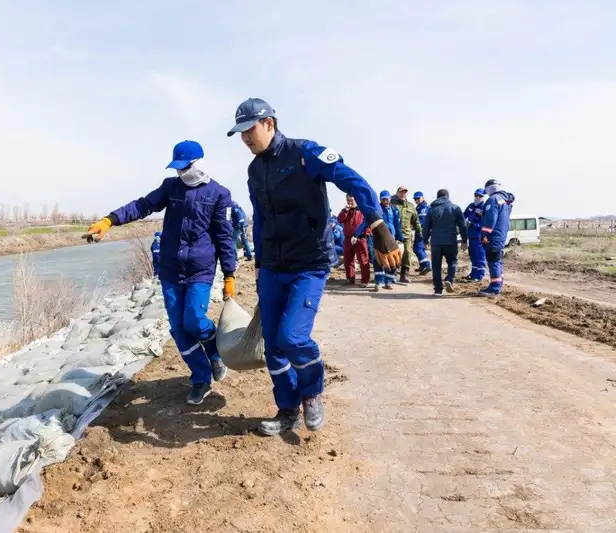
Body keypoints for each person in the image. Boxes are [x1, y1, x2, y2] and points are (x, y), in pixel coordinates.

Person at [227, 97, 401, 435]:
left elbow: (352, 180)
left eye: (250, 130)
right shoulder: (254, 170)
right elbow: (260, 219)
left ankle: (312, 392)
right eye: (241, 134)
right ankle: (287, 408)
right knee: (273, 345)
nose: (246, 139)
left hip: (309, 262)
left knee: (293, 336)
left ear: (269, 124)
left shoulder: (306, 153)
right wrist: (260, 263)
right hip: (274, 265)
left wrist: (378, 225)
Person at [86, 140, 237, 405]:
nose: (181, 173)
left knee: (194, 321)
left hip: (200, 270)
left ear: (198, 163)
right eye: (177, 168)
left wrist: (229, 275)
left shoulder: (219, 194)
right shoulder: (171, 187)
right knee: (178, 329)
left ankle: (214, 353)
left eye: (185, 167)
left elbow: (224, 237)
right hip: (170, 268)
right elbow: (143, 205)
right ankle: (201, 378)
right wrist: (110, 220)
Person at [422, 189, 468, 296]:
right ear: (447, 196)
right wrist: (465, 240)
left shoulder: (431, 209)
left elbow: (426, 227)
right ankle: (449, 279)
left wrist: (425, 240)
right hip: (450, 241)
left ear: (437, 197)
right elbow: (463, 225)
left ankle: (438, 290)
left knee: (436, 266)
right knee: (452, 262)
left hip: (436, 243)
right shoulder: (455, 208)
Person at [480, 179, 515, 296]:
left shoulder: (493, 199)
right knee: (498, 261)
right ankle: (498, 284)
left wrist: (485, 234)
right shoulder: (505, 201)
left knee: (493, 261)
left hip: (493, 236)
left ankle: (494, 288)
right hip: (501, 235)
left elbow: (490, 219)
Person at [372, 190, 403, 291]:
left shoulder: (394, 210)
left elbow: (397, 225)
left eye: (387, 199)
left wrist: (400, 237)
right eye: (383, 199)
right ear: (380, 200)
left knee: (393, 259)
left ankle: (388, 282)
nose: (385, 201)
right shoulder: (377, 210)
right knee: (378, 260)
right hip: (379, 238)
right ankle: (378, 282)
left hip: (391, 238)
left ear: (390, 198)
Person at [337, 194, 371, 286]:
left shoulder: (362, 210)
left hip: (360, 239)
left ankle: (364, 280)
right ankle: (350, 279)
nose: (350, 202)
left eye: (351, 200)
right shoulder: (345, 211)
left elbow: (367, 223)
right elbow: (339, 220)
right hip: (348, 239)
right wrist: (345, 211)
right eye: (348, 200)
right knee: (348, 260)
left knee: (363, 260)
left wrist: (366, 234)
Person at [390, 186, 421, 283]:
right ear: (397, 193)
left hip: (406, 235)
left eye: (405, 192)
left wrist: (420, 232)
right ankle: (392, 274)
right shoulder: (391, 204)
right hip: (393, 234)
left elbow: (416, 221)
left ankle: (404, 275)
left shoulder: (411, 206)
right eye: (401, 192)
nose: (403, 194)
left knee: (407, 253)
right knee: (393, 254)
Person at [463, 189, 487, 282]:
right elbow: (463, 216)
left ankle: (479, 276)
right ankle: (473, 274)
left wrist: (473, 225)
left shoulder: (485, 207)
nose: (477, 197)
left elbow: (485, 223)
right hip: (470, 236)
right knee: (473, 256)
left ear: (483, 197)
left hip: (479, 236)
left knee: (480, 256)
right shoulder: (471, 206)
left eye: (480, 196)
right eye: (476, 195)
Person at [412, 191, 432, 274]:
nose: (416, 200)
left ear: (422, 197)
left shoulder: (423, 207)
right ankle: (422, 265)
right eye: (415, 199)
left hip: (422, 230)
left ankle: (427, 264)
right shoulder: (419, 207)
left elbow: (422, 221)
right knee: (421, 248)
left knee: (417, 248)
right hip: (421, 230)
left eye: (418, 198)